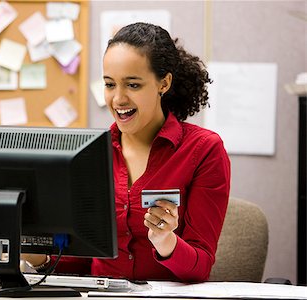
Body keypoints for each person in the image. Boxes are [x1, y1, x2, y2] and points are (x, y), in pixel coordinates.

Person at [24, 22, 231, 283]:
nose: (118, 99)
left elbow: (200, 268)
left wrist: (166, 242)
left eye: (132, 85)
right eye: (110, 85)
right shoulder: (90, 153)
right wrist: (37, 256)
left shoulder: (204, 150)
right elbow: (84, 258)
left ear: (163, 83)